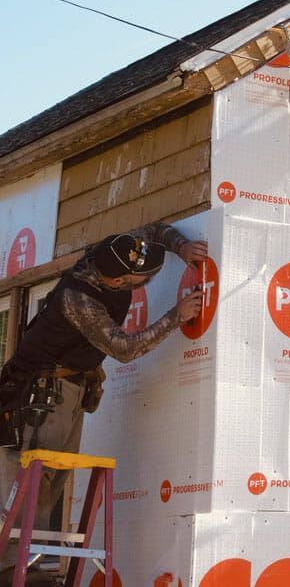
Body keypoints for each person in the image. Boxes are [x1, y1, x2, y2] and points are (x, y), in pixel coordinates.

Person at [0, 223, 205, 585]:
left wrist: (181, 246)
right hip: (39, 395)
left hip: (68, 387)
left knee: (53, 482)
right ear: (116, 282)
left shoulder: (109, 249)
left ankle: (36, 570)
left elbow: (152, 232)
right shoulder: (80, 299)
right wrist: (177, 316)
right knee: (32, 484)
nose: (147, 276)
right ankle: (14, 573)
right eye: (140, 276)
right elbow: (125, 349)